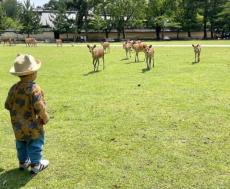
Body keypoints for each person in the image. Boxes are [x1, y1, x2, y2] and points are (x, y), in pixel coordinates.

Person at [5, 54, 49, 174]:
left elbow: (7, 105)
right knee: (35, 142)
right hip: (34, 125)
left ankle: (23, 162)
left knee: (21, 142)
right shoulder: (35, 89)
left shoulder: (13, 88)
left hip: (17, 125)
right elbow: (40, 107)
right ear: (33, 73)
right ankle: (35, 164)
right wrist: (45, 118)